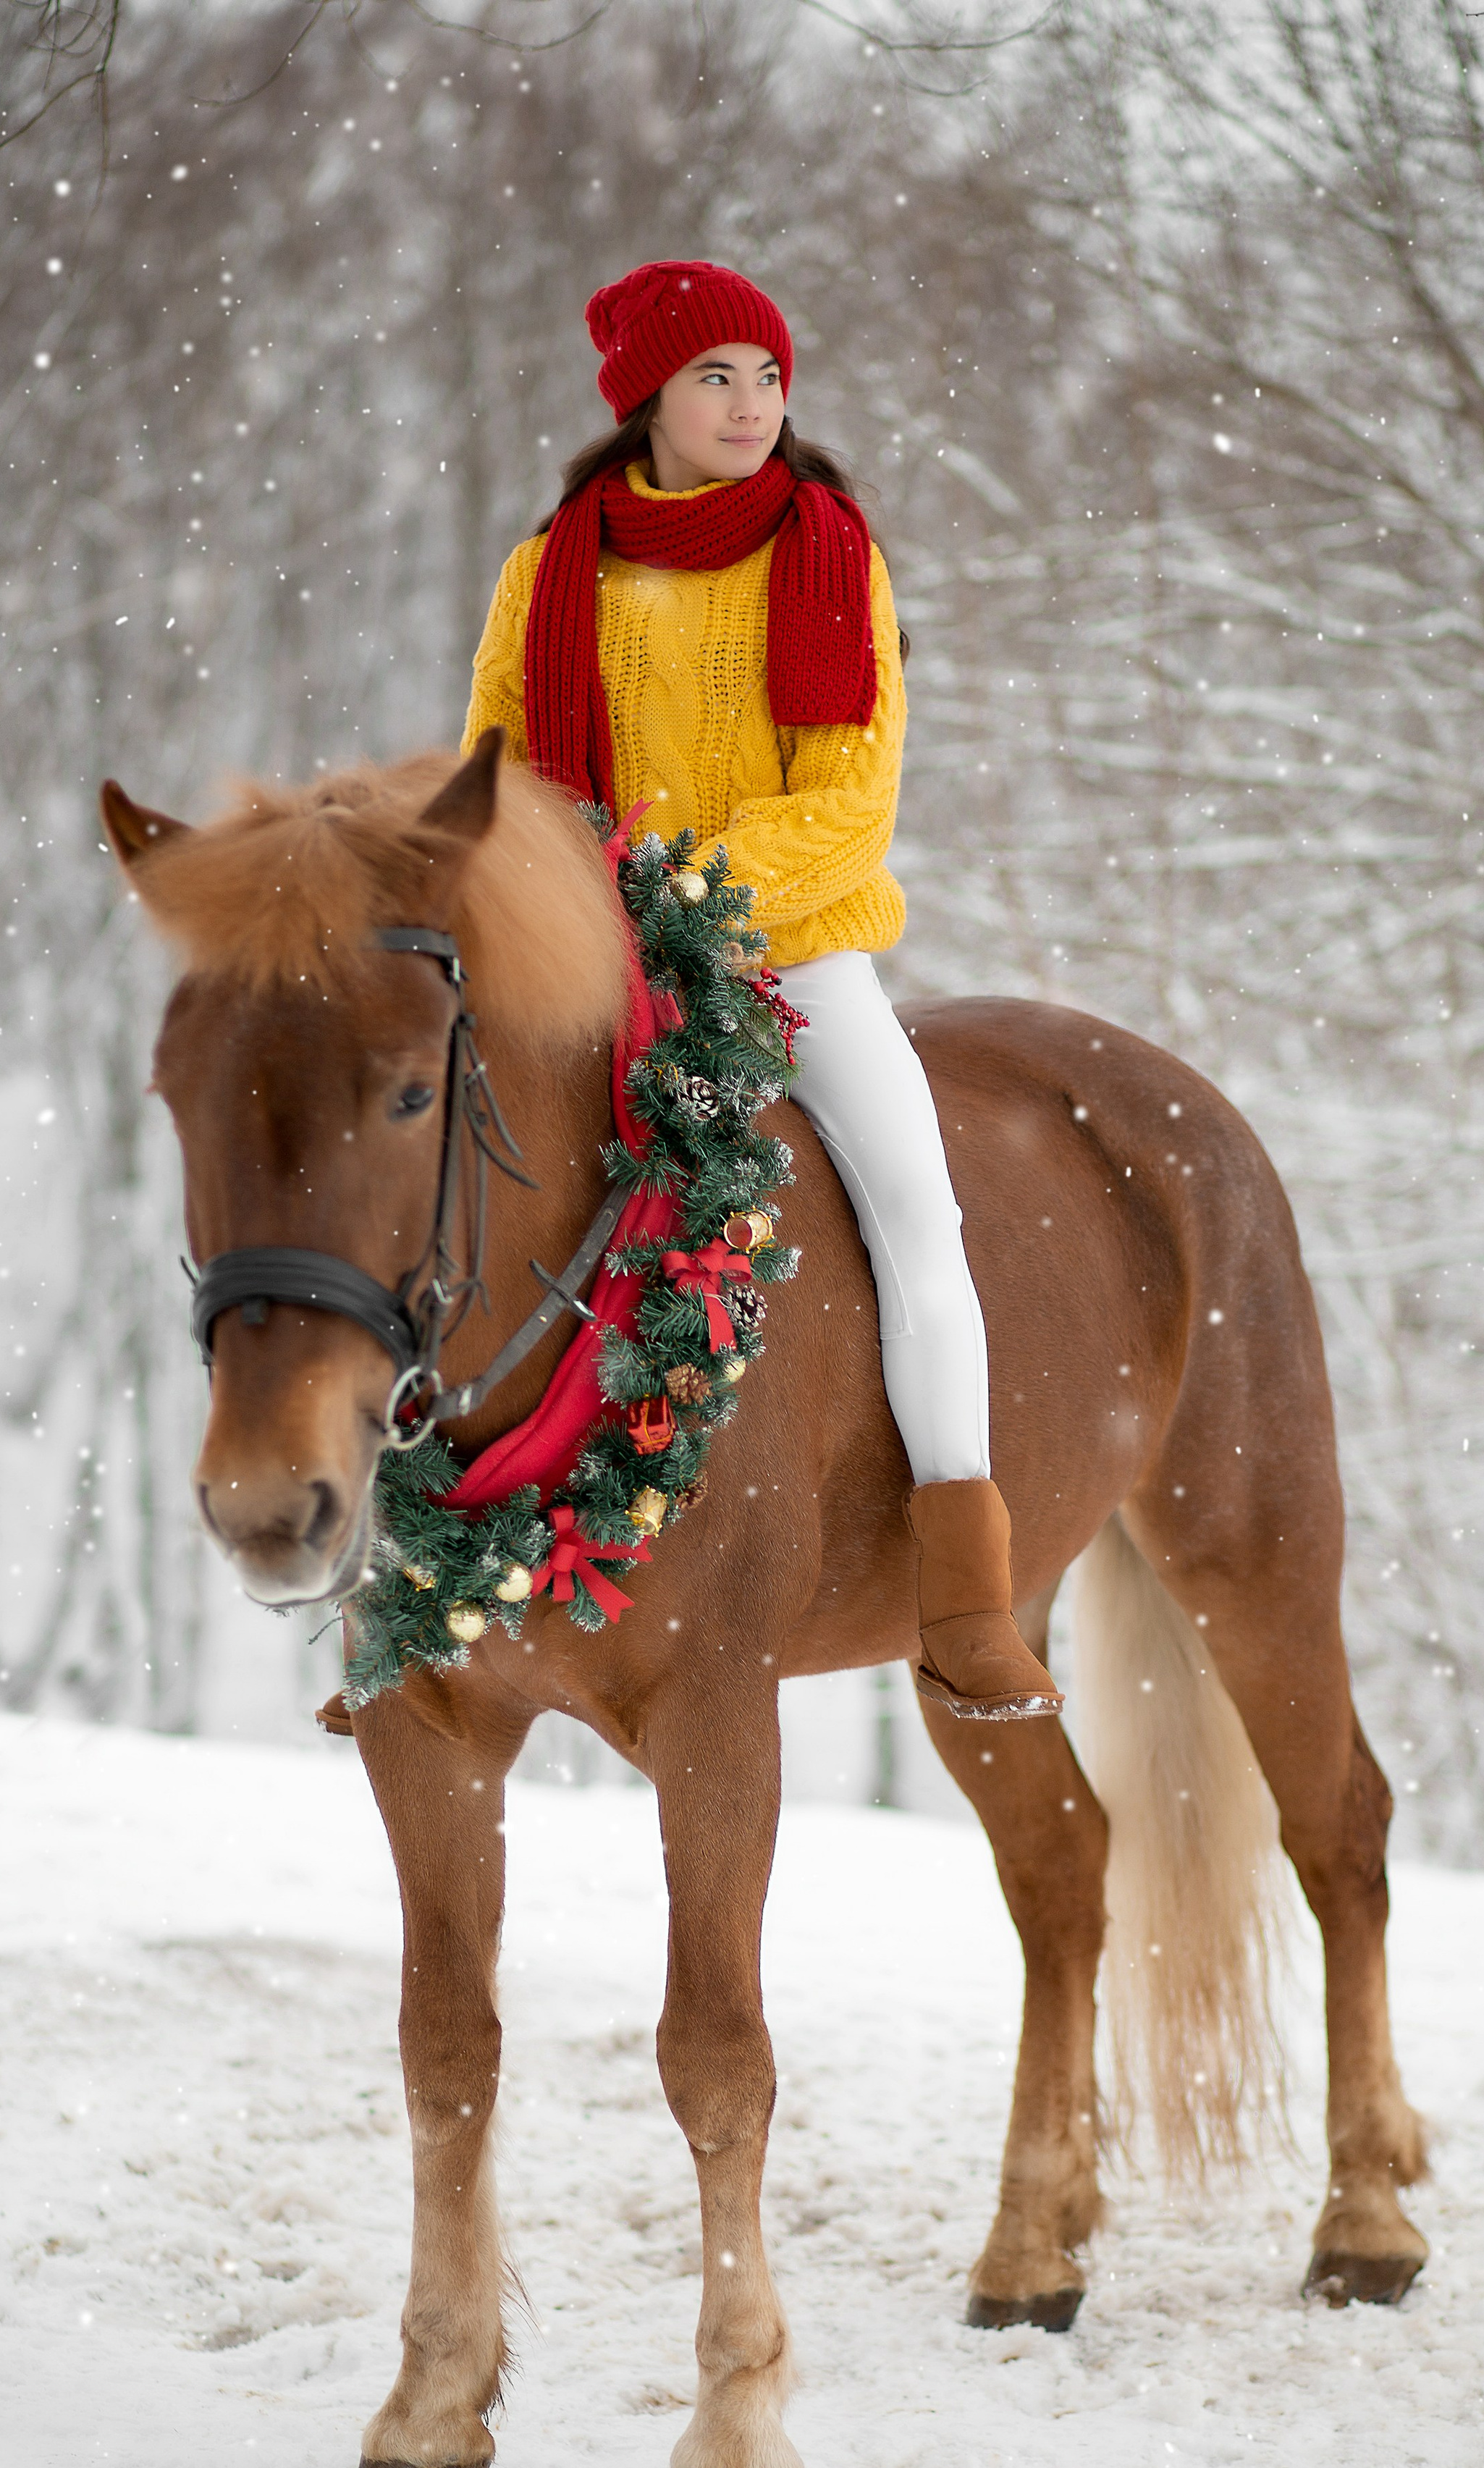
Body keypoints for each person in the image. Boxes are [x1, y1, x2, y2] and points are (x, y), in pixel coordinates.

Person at [463, 258, 1058, 1722]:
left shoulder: (827, 554)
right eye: (715, 377)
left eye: (766, 377)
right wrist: (565, 910)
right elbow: (489, 774)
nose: (748, 405)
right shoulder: (550, 574)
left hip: (788, 966)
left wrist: (670, 895)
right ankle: (426, 1569)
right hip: (590, 969)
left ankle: (965, 1600)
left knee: (920, 1220)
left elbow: (850, 801)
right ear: (645, 399)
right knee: (447, 1184)